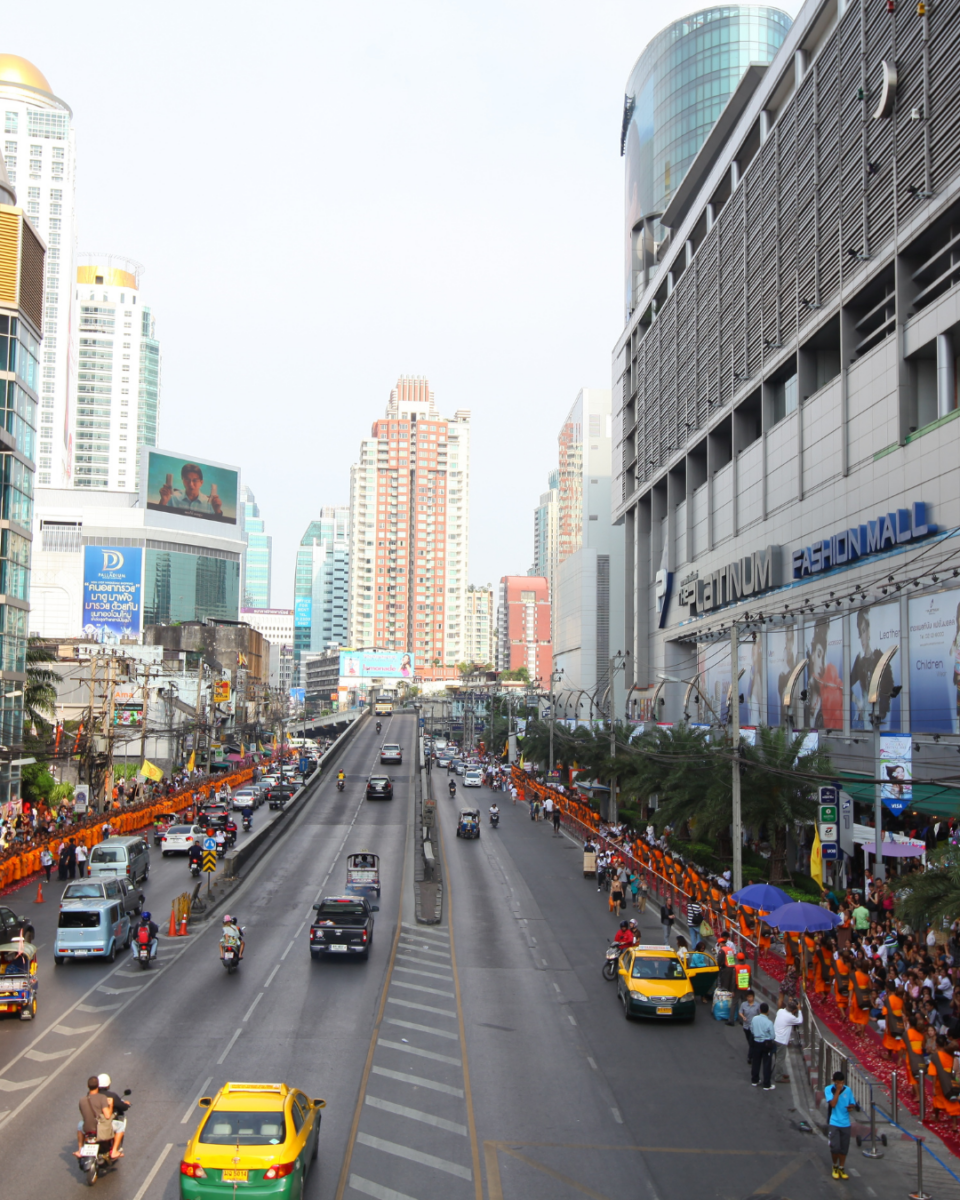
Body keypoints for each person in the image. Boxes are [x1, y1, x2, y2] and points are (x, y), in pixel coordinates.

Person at [157, 461, 224, 517]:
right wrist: (163, 501)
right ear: (183, 480)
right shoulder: (172, 498)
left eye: (195, 480)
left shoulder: (210, 503)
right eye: (187, 479)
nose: (191, 484)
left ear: (201, 482)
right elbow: (158, 518)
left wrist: (217, 511)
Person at [824, 1070, 859, 1179]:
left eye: (842, 1082)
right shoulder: (829, 1089)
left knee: (844, 1148)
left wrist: (851, 1107)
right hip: (834, 1121)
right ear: (834, 1081)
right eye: (838, 1082)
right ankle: (835, 1165)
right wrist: (838, 1091)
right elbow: (833, 1104)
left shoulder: (848, 1090)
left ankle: (841, 1167)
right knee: (835, 1147)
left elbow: (852, 1103)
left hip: (845, 1123)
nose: (841, 1084)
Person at [76, 1076, 112, 1157]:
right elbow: (107, 1115)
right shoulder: (102, 1097)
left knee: (79, 1126)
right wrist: (111, 1105)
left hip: (87, 1128)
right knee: (119, 1127)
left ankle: (79, 1150)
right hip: (99, 1128)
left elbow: (83, 1114)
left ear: (87, 1086)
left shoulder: (82, 1100)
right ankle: (114, 1151)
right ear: (98, 1086)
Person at [97, 1073, 129, 1159]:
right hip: (105, 1122)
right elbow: (122, 1107)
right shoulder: (112, 1096)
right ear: (108, 1085)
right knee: (121, 1126)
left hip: (93, 1122)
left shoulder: (91, 1095)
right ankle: (114, 1150)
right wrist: (126, 1105)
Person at [772, 999, 803, 1082]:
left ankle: (780, 1073)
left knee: (778, 1058)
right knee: (780, 1059)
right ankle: (778, 1077)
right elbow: (800, 1021)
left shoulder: (780, 1011)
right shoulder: (790, 1017)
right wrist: (799, 1010)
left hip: (775, 1037)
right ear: (794, 1010)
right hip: (781, 1040)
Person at [749, 1002, 776, 1090]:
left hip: (756, 1043)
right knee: (766, 1064)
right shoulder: (769, 1023)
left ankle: (755, 1080)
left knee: (756, 1062)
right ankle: (766, 1084)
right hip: (766, 1044)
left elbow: (752, 1030)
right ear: (768, 1011)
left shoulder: (754, 1019)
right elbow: (772, 1036)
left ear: (760, 1010)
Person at [737, 989, 762, 1062]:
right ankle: (753, 1051)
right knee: (749, 1041)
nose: (749, 998)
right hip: (746, 1026)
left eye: (750, 997)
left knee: (751, 1042)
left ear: (753, 997)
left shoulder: (757, 1005)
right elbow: (740, 1012)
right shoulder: (743, 1004)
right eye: (748, 997)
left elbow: (760, 1015)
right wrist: (743, 1017)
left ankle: (750, 1057)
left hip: (754, 1027)